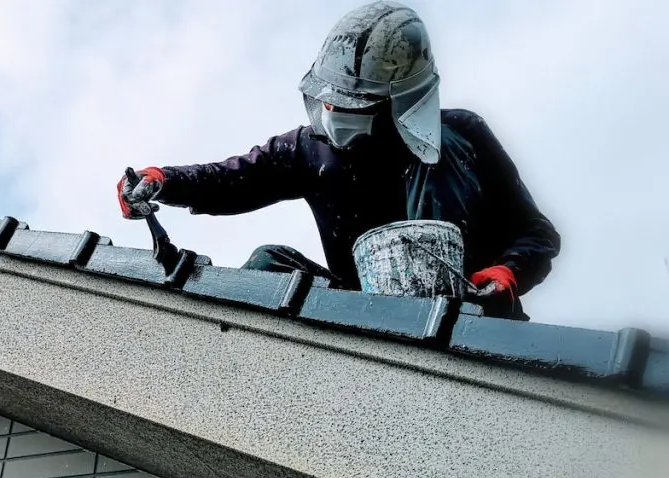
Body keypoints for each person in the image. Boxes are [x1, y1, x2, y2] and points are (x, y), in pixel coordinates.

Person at [116, 0, 560, 320]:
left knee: (437, 161)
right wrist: (163, 180)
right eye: (328, 102)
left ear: (399, 103)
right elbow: (232, 180)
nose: (332, 115)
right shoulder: (308, 149)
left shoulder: (461, 136)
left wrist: (508, 272)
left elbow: (537, 234)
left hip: (469, 319)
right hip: (362, 315)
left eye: (352, 106)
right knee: (269, 264)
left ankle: (442, 313)